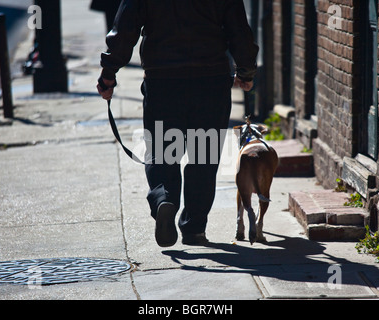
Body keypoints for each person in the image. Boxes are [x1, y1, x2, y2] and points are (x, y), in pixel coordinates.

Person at [97, 0, 258, 247]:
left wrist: (109, 72)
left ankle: (164, 198)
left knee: (163, 152)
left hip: (163, 80)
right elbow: (238, 28)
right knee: (203, 156)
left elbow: (125, 28)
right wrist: (245, 70)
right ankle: (193, 228)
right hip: (210, 80)